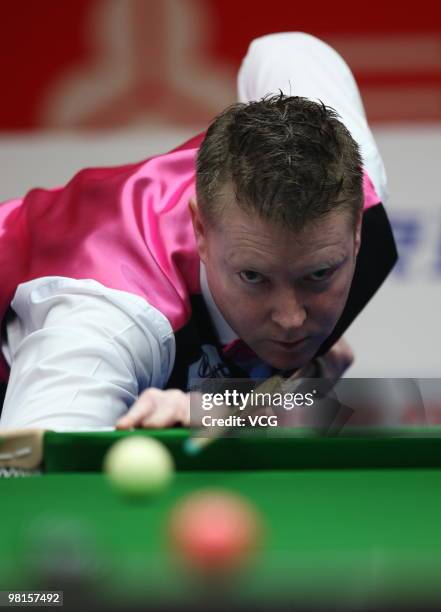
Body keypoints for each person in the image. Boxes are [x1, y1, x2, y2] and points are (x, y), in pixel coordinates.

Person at [0, 33, 396, 431]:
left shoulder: (353, 184)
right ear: (201, 232)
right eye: (253, 277)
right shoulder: (107, 323)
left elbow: (281, 49)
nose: (291, 319)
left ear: (357, 228)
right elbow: (29, 468)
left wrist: (251, 403)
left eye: (318, 275)